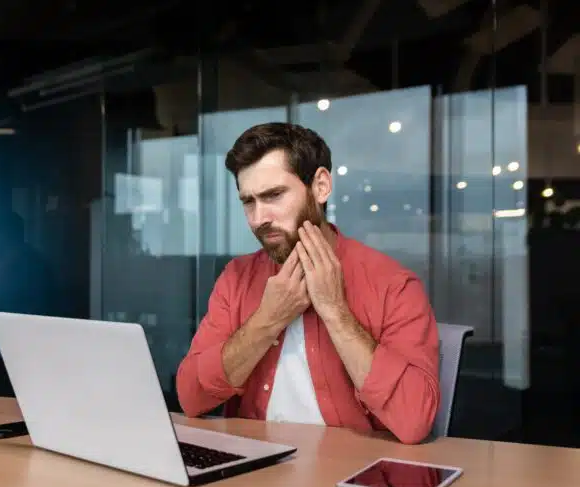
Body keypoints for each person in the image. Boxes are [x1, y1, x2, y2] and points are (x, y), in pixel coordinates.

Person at [175, 122, 440, 444]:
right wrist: (269, 319)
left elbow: (414, 422)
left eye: (274, 195)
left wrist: (334, 310)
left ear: (321, 186)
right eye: (249, 201)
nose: (259, 218)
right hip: (252, 470)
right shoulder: (236, 277)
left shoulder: (393, 284)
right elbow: (190, 397)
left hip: (347, 475)